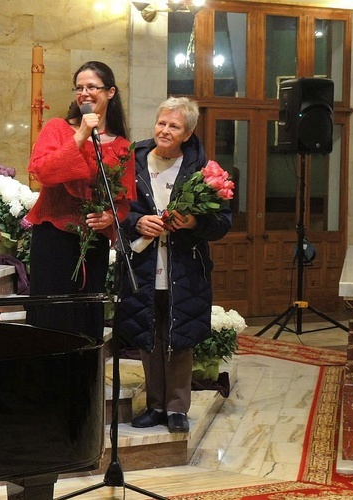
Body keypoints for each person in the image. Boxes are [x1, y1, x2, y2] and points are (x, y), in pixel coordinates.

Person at [115, 97, 232, 433]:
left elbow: (223, 222)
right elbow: (116, 209)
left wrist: (194, 223)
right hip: (143, 265)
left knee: (181, 338)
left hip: (185, 267)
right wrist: (137, 222)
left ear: (188, 132)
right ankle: (154, 404)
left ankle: (177, 408)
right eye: (161, 123)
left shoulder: (203, 170)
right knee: (149, 335)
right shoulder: (132, 162)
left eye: (174, 126)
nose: (165, 131)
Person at [25, 61, 135, 340]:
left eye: (92, 87)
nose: (84, 93)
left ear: (110, 92)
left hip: (94, 242)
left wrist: (110, 217)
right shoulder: (57, 128)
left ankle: (83, 380)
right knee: (53, 318)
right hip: (54, 239)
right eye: (79, 87)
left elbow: (123, 202)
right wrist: (81, 135)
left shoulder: (122, 145)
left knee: (87, 316)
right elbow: (42, 173)